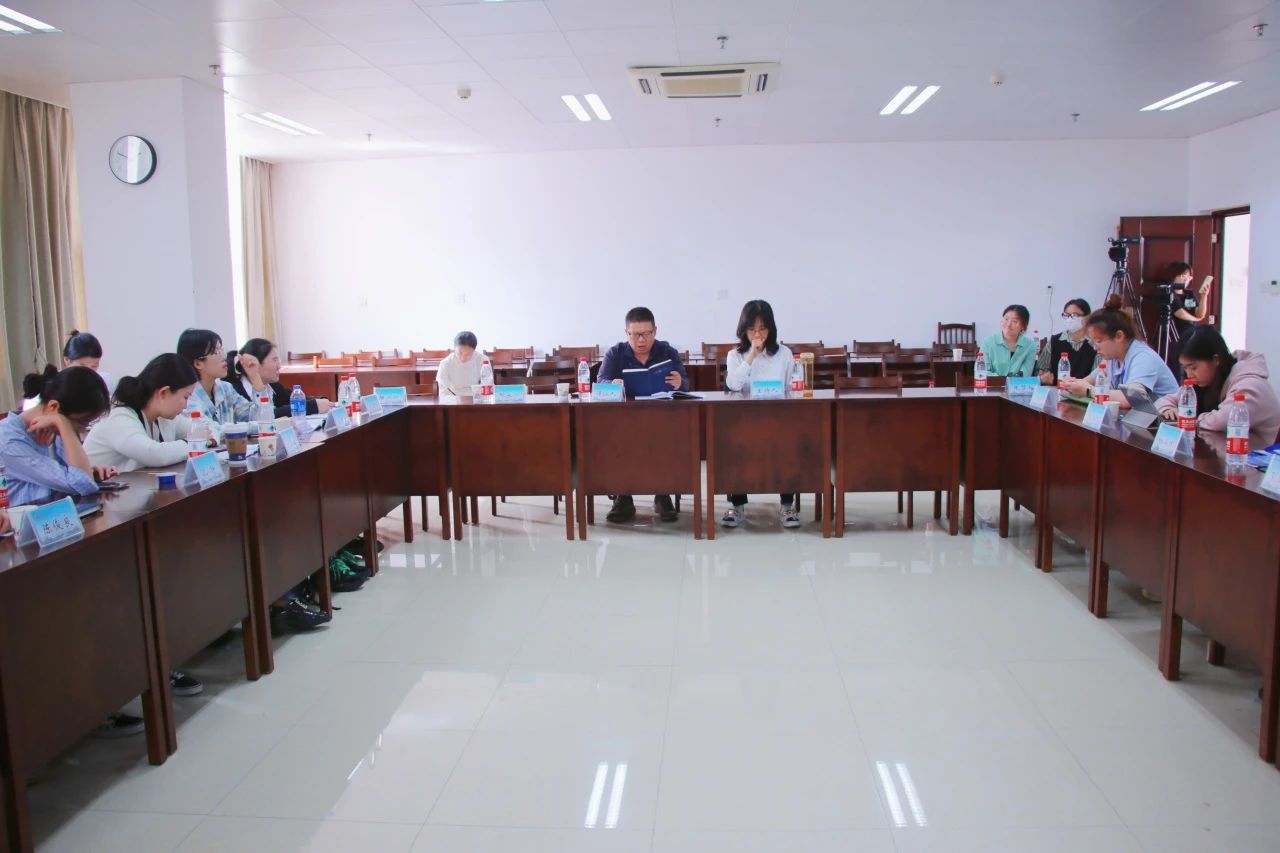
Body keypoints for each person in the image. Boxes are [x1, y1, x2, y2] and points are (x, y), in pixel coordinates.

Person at [597, 306, 689, 523]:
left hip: (662, 419)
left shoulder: (667, 352)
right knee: (616, 440)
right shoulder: (615, 353)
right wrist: (611, 384)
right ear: (626, 333)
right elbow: (600, 382)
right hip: (624, 421)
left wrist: (680, 382)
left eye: (647, 334)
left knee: (669, 438)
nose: (641, 340)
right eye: (635, 334)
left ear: (655, 331)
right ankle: (623, 497)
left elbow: (685, 383)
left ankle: (663, 494)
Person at [721, 300, 800, 529]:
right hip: (745, 422)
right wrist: (751, 357)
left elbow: (790, 388)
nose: (757, 335)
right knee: (733, 445)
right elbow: (733, 385)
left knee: (789, 444)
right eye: (752, 329)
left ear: (771, 329)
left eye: (762, 329)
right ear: (743, 329)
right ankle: (737, 506)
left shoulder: (784, 354)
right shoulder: (735, 355)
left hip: (778, 420)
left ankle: (787, 505)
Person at [2, 365, 114, 506]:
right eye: (82, 422)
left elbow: (80, 479)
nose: (82, 430)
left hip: (58, 514)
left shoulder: (55, 430)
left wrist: (90, 473)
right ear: (53, 407)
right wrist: (63, 423)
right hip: (24, 519)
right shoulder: (7, 439)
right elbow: (82, 484)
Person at [84, 354, 212, 472]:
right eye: (186, 397)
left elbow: (203, 430)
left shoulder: (163, 416)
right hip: (98, 489)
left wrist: (205, 437)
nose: (186, 405)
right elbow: (156, 455)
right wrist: (195, 443)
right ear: (164, 392)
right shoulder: (120, 417)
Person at [1155, 326, 1280, 437]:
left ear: (1216, 360)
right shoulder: (1204, 382)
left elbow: (1221, 421)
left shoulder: (1250, 384)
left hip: (1261, 453)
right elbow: (1164, 401)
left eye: (1193, 367)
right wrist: (1167, 409)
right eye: (1185, 368)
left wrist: (1188, 418)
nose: (1189, 375)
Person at [1062, 294, 1178, 408]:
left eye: (1098, 341)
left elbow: (1129, 399)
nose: (1095, 347)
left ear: (1119, 336)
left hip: (1166, 417)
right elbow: (1088, 381)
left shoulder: (1143, 357)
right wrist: (1073, 384)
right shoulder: (1112, 357)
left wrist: (1088, 390)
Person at [226, 338, 331, 417]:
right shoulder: (234, 390)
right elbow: (267, 415)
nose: (279, 366)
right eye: (274, 360)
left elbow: (293, 398)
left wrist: (322, 401)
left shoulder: (272, 385)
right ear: (255, 363)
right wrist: (313, 406)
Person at [177, 328, 258, 428]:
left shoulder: (226, 388)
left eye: (222, 351)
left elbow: (258, 417)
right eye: (216, 353)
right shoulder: (188, 396)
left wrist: (255, 376)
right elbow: (210, 430)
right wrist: (247, 428)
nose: (224, 357)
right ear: (198, 363)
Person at [1163, 261, 1212, 372]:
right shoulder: (1169, 293)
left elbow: (1200, 314)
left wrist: (1204, 296)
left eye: (1188, 276)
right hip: (1174, 335)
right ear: (1175, 275)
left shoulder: (1189, 294)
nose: (1186, 279)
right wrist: (1196, 319)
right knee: (1176, 365)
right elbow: (1179, 313)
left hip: (1191, 335)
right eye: (1183, 275)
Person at [1036, 298, 1099, 384]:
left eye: (1074, 315)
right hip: (1056, 389)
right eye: (1066, 315)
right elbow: (1041, 371)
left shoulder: (1094, 343)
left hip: (1084, 390)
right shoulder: (1055, 341)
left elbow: (1098, 377)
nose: (1069, 319)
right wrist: (1043, 378)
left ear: (1087, 318)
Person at [978, 304, 1037, 377]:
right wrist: (1001, 380)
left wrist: (1009, 381)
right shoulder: (988, 343)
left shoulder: (1030, 346)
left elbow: (1025, 374)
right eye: (1006, 319)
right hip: (993, 384)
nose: (1008, 324)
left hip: (1017, 384)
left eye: (1014, 321)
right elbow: (981, 371)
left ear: (1023, 326)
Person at [436, 332, 483, 396]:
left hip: (476, 397)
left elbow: (488, 384)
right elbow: (443, 389)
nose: (463, 358)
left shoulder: (482, 360)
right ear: (454, 348)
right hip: (453, 397)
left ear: (474, 351)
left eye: (468, 354)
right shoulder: (445, 363)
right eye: (460, 353)